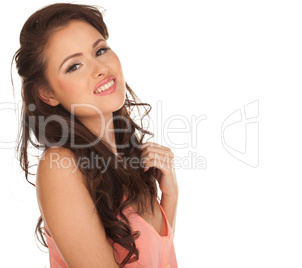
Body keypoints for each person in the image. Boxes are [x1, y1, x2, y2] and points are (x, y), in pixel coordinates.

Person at [12, 3, 179, 267]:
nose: (99, 68)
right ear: (48, 93)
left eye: (100, 50)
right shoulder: (61, 167)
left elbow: (158, 259)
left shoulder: (127, 161)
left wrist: (169, 196)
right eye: (74, 66)